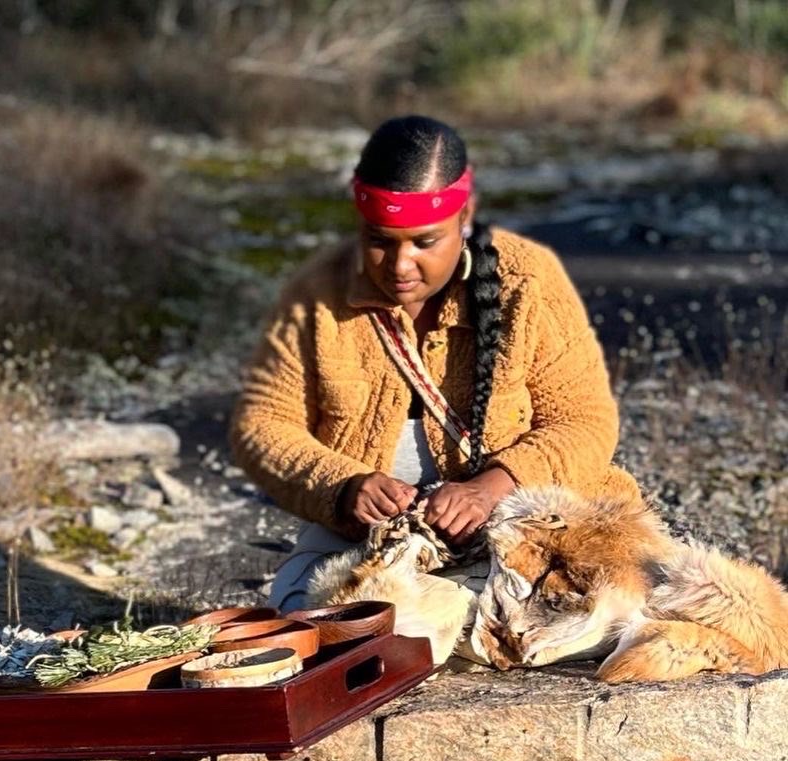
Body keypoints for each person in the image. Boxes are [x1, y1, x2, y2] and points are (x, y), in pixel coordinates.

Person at [229, 114, 640, 615]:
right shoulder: (318, 294)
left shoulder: (527, 280)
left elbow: (587, 421)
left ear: (466, 216)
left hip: (520, 531)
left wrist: (490, 489)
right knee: (316, 615)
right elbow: (262, 425)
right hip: (364, 545)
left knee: (594, 607)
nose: (400, 266)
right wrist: (342, 486)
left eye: (425, 242)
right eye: (380, 240)